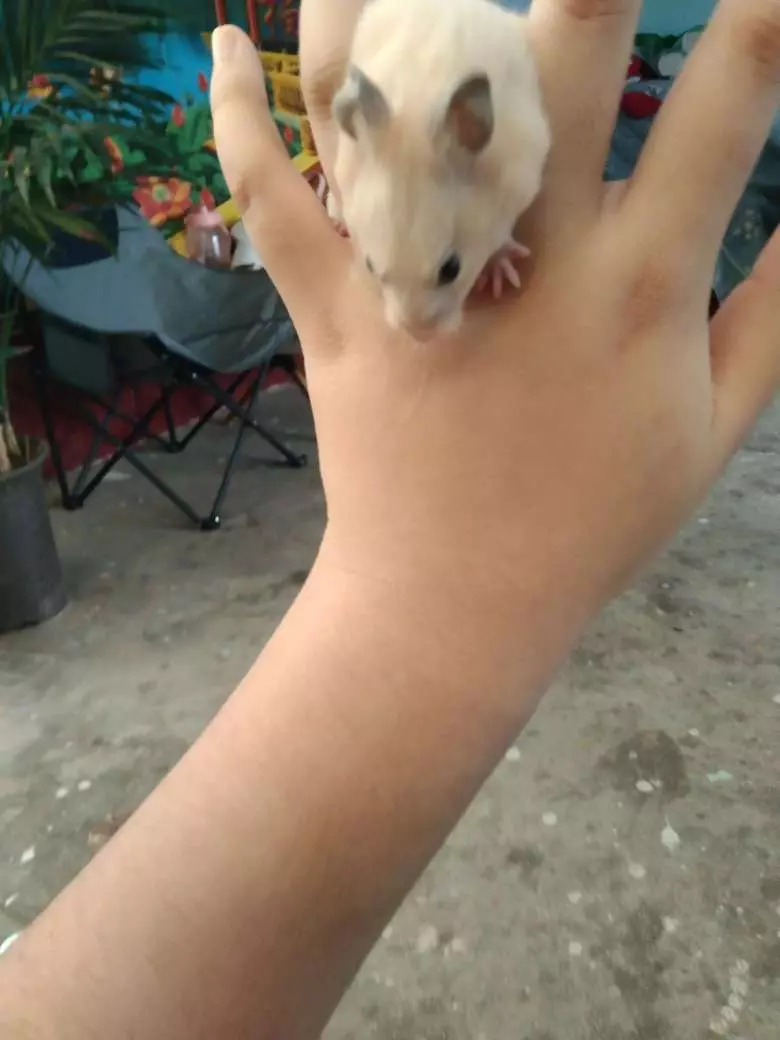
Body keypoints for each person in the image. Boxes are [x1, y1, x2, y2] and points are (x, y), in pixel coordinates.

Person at [1, 1, 779, 1036]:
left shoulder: (497, 159)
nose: (414, 329)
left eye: (444, 274)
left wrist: (484, 250)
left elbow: (507, 170)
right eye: (379, 273)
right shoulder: (375, 180)